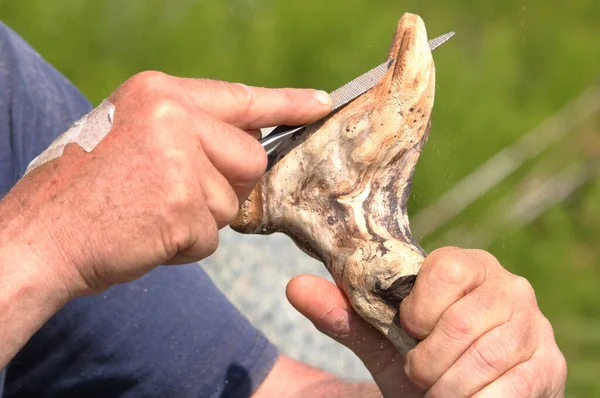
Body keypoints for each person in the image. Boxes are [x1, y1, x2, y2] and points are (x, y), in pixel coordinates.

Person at [0, 22, 566, 398]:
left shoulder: (10, 93)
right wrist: (43, 243)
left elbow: (263, 386)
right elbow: (48, 236)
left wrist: (468, 370)